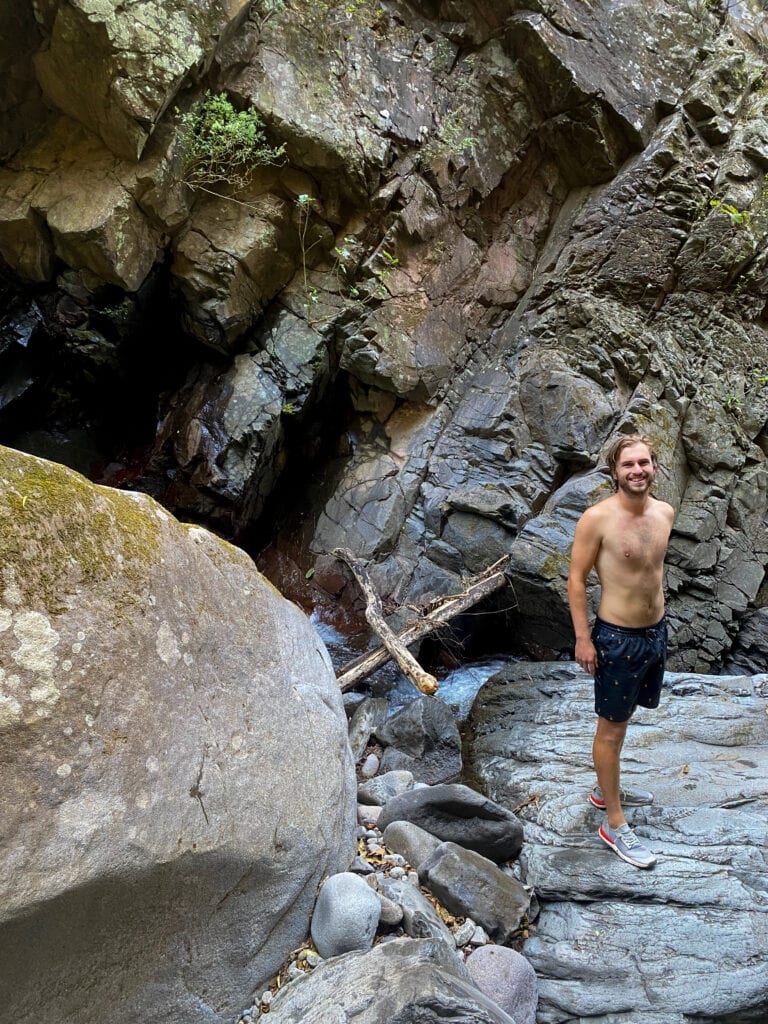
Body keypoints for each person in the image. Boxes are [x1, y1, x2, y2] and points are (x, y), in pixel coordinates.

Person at [567, 434, 675, 869]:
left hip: (655, 633)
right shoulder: (597, 519)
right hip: (617, 638)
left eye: (644, 463)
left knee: (623, 718)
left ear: (653, 467)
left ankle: (604, 789)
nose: (637, 470)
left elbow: (652, 573)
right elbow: (576, 580)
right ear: (615, 471)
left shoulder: (665, 513)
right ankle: (613, 821)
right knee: (610, 730)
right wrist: (582, 638)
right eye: (628, 464)